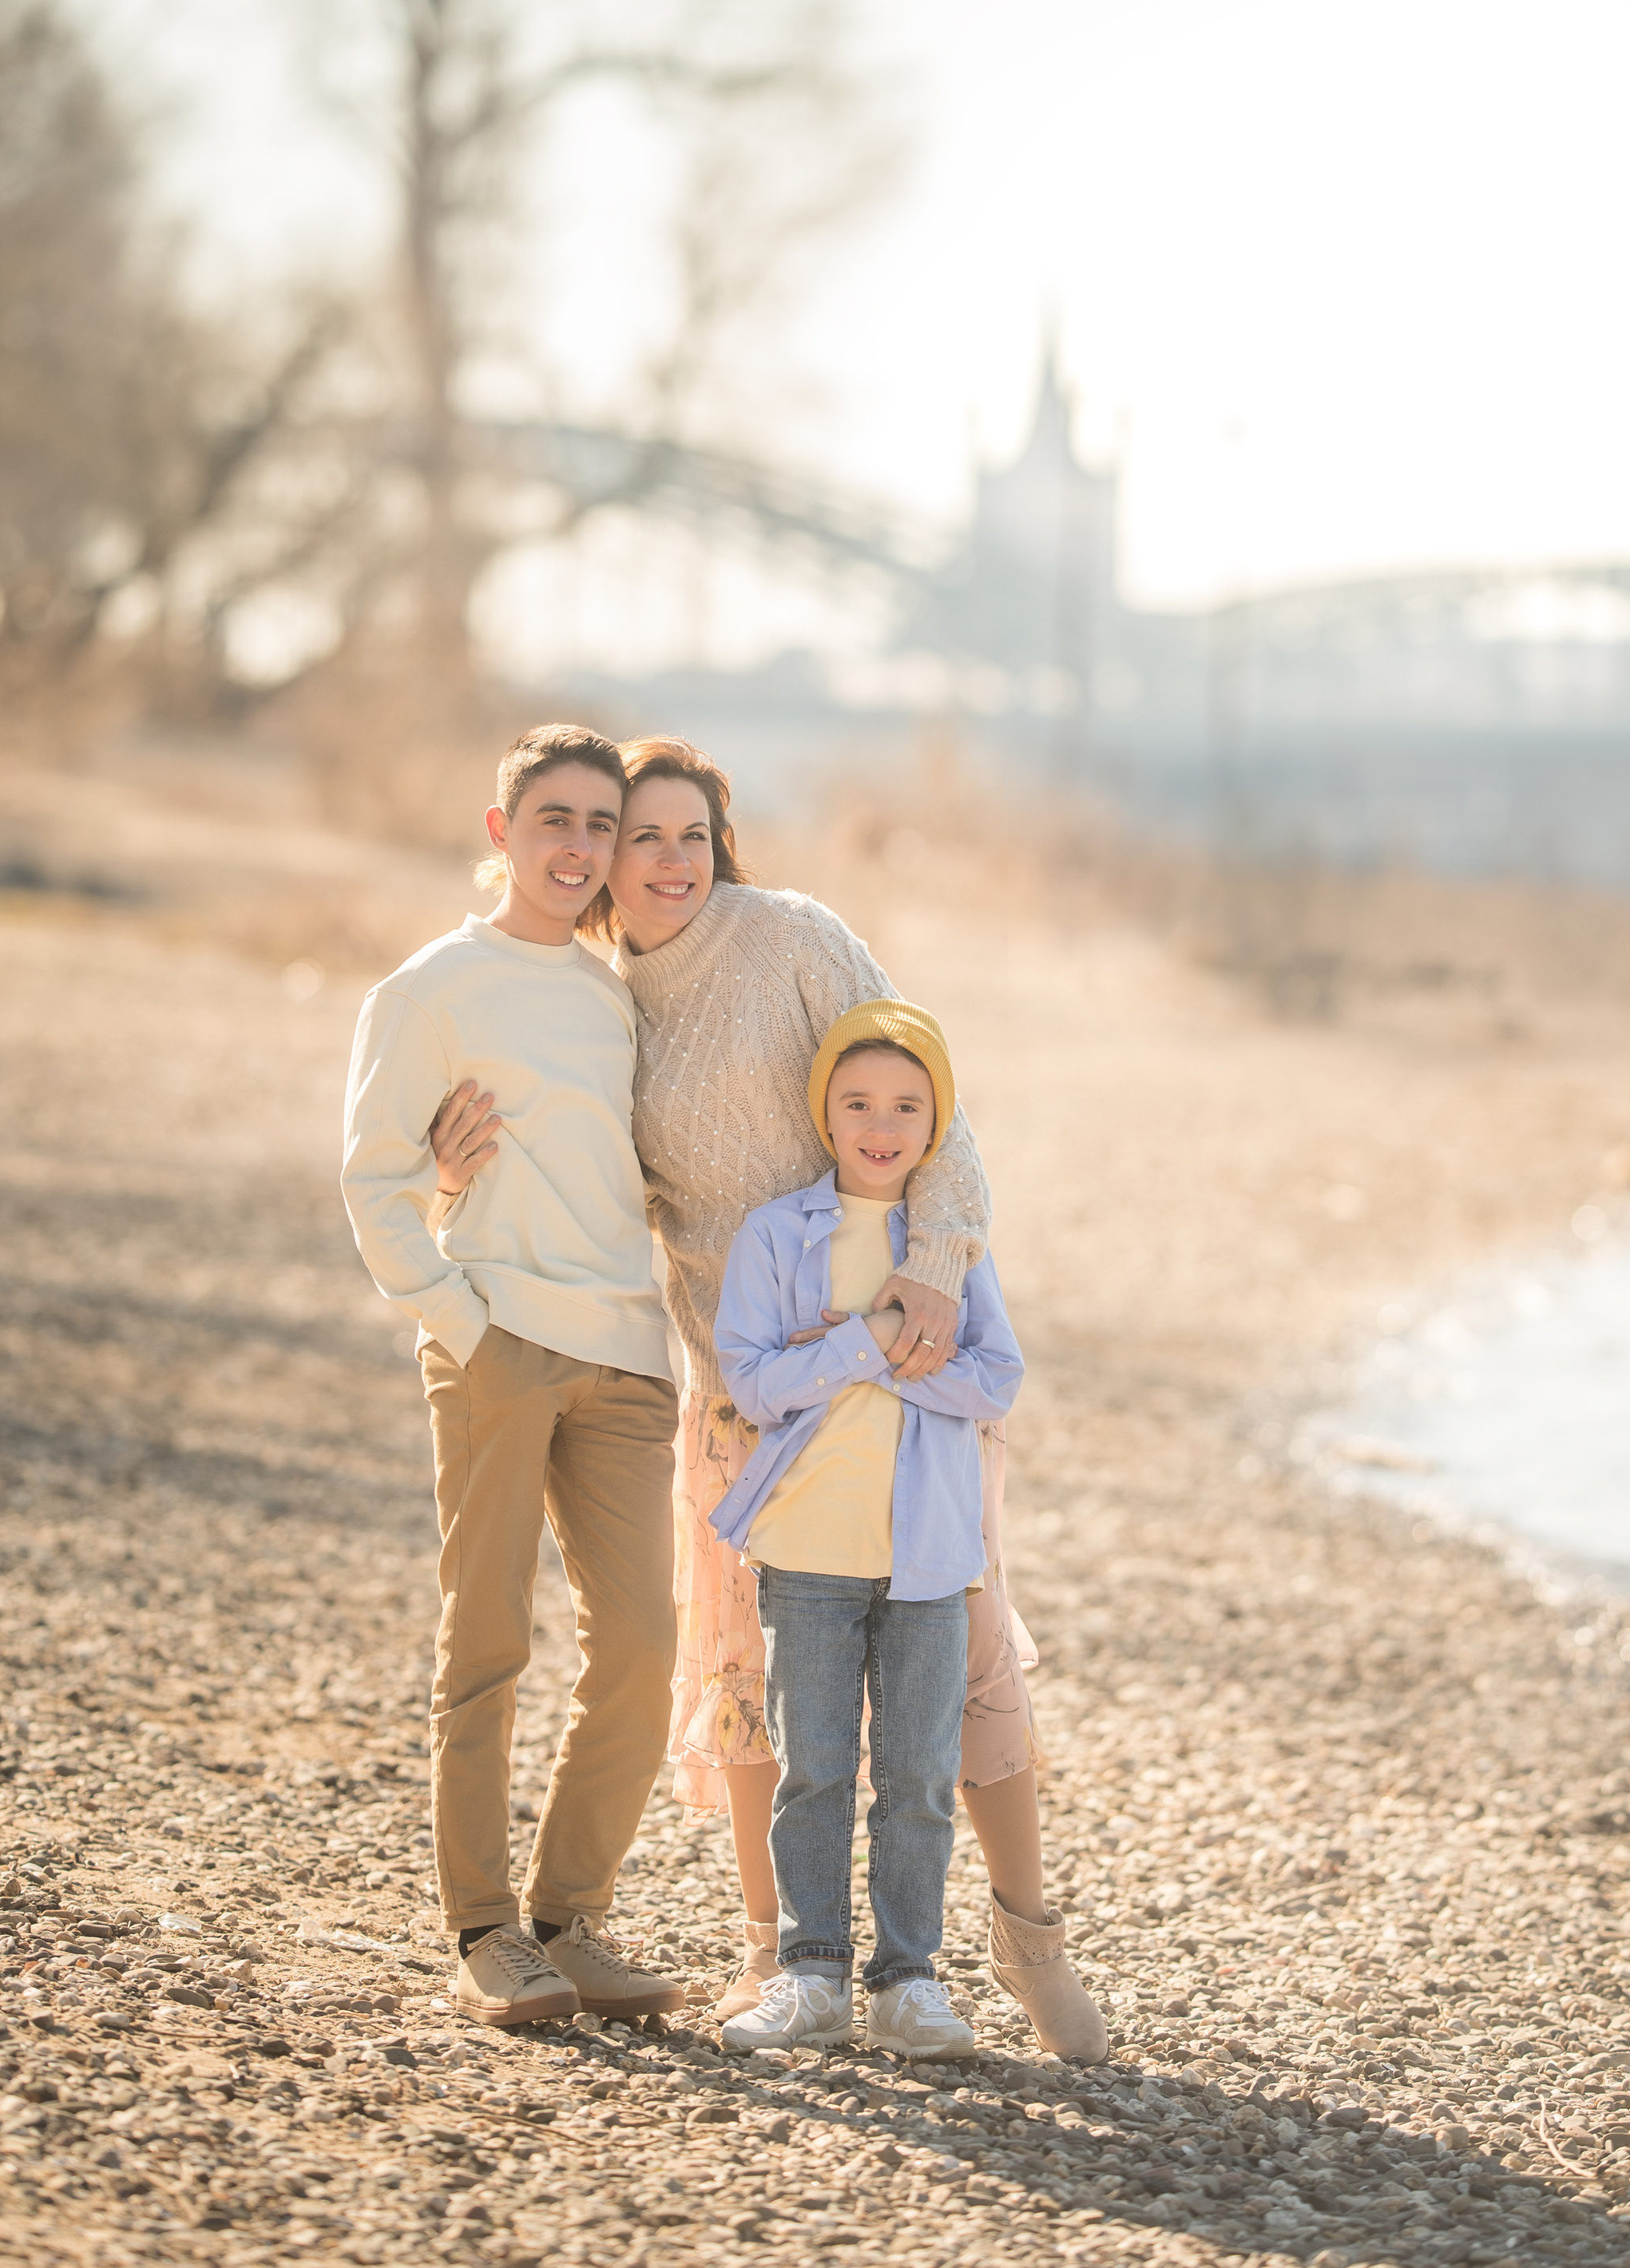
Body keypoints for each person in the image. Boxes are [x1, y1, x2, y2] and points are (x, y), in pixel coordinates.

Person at [431, 734, 1106, 2059]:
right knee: (749, 1676)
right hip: (745, 1392)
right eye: (642, 839)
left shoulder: (794, 937)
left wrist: (927, 1272)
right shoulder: (599, 998)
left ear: (719, 845)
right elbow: (563, 1171)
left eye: (692, 836)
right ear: (600, 860)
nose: (669, 862)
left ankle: (1029, 1944)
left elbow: (937, 1117)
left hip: (910, 1364)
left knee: (960, 1655)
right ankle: (779, 1962)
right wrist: (453, 1181)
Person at [340, 724, 687, 2029]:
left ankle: (569, 1916)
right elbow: (372, 1179)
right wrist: (458, 1315)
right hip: (496, 1341)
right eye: (558, 819)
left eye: (603, 824)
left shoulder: (616, 989)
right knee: (486, 1641)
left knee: (644, 1646)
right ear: (503, 830)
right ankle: (485, 1929)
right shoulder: (429, 987)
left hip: (626, 1355)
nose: (582, 847)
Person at [711, 1003, 1024, 2057]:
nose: (879, 1123)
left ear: (935, 1124)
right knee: (814, 1767)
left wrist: (872, 1350)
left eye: (905, 1104)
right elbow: (754, 1381)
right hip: (807, 1551)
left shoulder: (949, 1248)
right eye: (857, 1103)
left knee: (919, 1774)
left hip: (929, 1558)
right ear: (825, 1115)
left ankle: (908, 1982)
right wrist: (873, 1338)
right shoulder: (776, 1233)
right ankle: (810, 1976)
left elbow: (996, 1377)